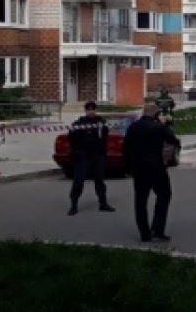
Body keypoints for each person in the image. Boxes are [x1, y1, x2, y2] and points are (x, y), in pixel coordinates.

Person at [123, 102, 179, 243]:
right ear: (156, 114)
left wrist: (129, 167)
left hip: (139, 169)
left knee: (140, 200)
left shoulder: (132, 127)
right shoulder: (158, 127)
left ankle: (145, 234)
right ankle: (158, 230)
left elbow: (125, 149)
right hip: (156, 167)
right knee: (164, 195)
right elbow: (172, 139)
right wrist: (164, 124)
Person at [66, 101, 114, 216]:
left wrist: (102, 152)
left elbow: (105, 137)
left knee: (100, 181)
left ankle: (103, 203)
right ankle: (74, 205)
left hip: (97, 156)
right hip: (83, 157)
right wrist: (78, 151)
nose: (91, 111)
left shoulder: (101, 123)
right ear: (86, 111)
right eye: (89, 109)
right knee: (79, 181)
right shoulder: (79, 124)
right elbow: (71, 139)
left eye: (93, 109)